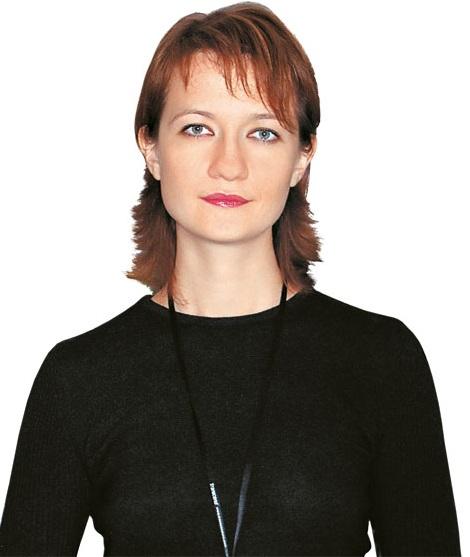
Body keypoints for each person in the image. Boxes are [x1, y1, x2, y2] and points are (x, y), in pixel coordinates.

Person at [0, 2, 461, 556]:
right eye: (197, 128)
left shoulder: (381, 360)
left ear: (302, 157)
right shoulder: (78, 379)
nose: (229, 165)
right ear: (151, 149)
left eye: (263, 133)